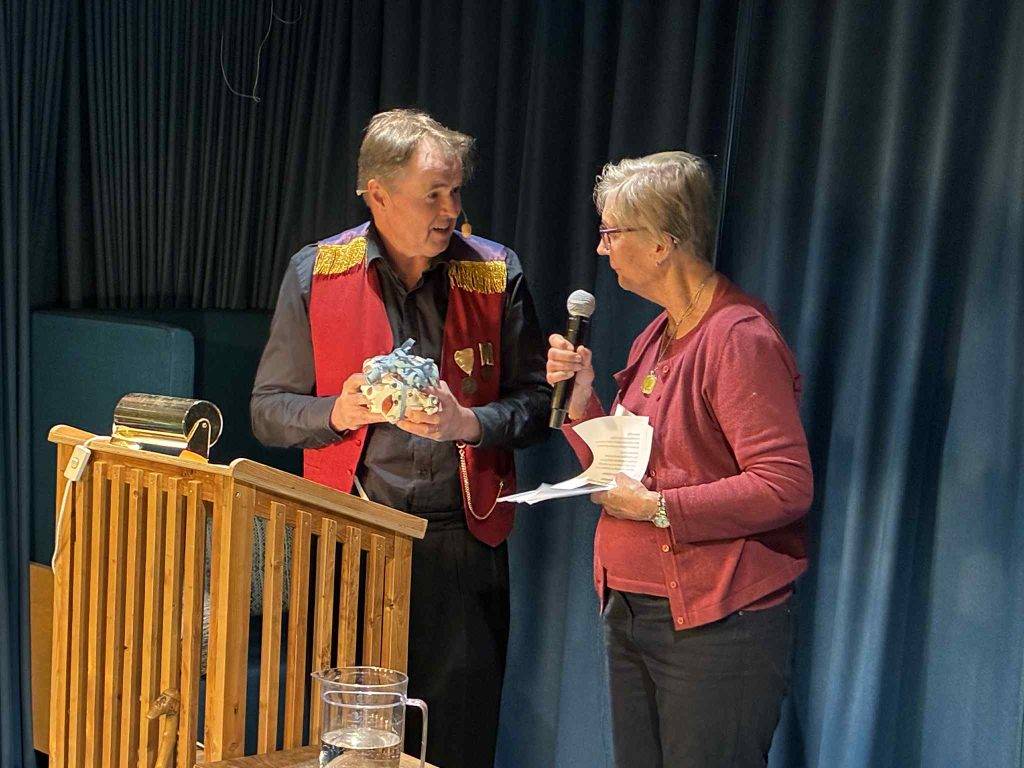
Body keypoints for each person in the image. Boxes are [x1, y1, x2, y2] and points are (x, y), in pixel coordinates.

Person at [251, 108, 550, 767]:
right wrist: (338, 412)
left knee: (457, 742)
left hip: (462, 547)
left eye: (456, 191)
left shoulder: (495, 272)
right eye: (433, 194)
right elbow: (268, 411)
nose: (452, 210)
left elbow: (537, 407)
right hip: (347, 545)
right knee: (349, 748)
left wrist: (468, 423)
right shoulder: (316, 272)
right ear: (378, 195)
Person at [546, 151, 812, 767]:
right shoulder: (659, 333)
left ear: (662, 243)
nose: (602, 249)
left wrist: (661, 508)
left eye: (612, 232)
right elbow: (623, 466)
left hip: (714, 626)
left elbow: (784, 486)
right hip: (633, 611)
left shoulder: (738, 338)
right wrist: (582, 403)